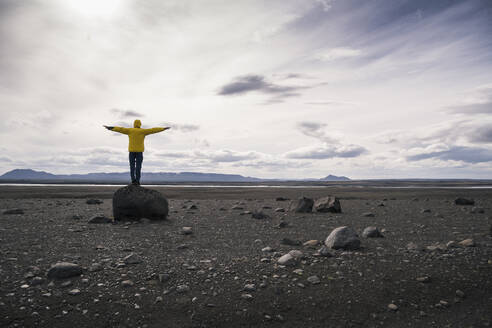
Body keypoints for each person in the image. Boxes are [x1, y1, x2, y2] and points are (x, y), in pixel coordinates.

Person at [104, 119, 170, 185]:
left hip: (131, 152)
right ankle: (137, 181)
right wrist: (163, 129)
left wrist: (110, 128)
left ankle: (133, 181)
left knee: (132, 167)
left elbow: (120, 129)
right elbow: (153, 130)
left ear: (134, 124)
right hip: (139, 152)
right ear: (140, 124)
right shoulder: (143, 131)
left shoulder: (130, 130)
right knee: (138, 167)